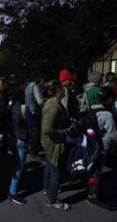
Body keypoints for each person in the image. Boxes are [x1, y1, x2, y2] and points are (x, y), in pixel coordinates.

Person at [41, 80, 75, 211]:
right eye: (62, 88)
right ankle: (52, 200)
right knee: (56, 171)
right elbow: (47, 129)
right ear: (58, 91)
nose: (65, 90)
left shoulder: (51, 102)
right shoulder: (54, 107)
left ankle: (47, 189)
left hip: (49, 142)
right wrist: (66, 131)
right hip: (53, 143)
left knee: (50, 165)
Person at [8, 84, 27, 205]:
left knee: (15, 164)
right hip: (20, 138)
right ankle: (12, 192)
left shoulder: (10, 106)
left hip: (13, 137)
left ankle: (13, 188)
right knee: (19, 166)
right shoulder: (22, 107)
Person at [24, 73, 45, 158]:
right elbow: (40, 101)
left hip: (28, 110)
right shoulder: (35, 86)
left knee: (31, 131)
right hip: (33, 111)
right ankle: (33, 152)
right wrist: (45, 101)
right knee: (35, 132)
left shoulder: (28, 86)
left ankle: (31, 149)